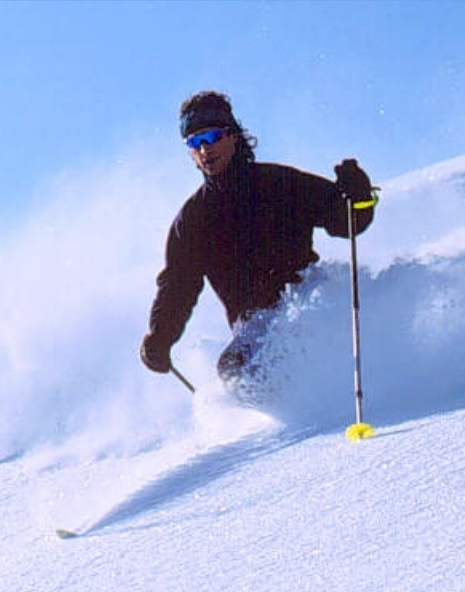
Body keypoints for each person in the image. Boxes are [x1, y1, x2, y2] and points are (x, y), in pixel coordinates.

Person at [140, 91, 375, 386]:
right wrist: (160, 336)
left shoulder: (280, 183)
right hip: (256, 327)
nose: (203, 150)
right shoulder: (193, 220)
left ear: (232, 135)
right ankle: (302, 417)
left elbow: (347, 222)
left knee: (242, 364)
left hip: (310, 299)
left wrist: (360, 197)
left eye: (211, 137)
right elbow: (178, 285)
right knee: (233, 371)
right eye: (193, 142)